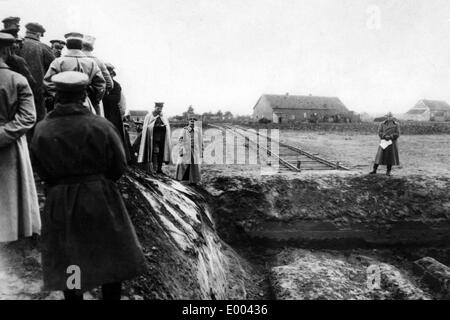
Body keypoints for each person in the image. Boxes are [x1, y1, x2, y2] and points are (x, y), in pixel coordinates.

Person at [30, 71, 146, 300]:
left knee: (71, 261)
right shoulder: (101, 125)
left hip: (61, 202)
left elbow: (40, 169)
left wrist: (59, 186)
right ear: (84, 96)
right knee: (109, 256)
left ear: (57, 97)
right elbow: (119, 165)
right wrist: (99, 182)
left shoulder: (42, 129)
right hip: (100, 198)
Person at [0, 32, 41, 243]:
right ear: (7, 51)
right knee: (11, 191)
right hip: (11, 145)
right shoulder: (18, 80)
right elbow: (28, 117)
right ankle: (13, 231)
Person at [43, 32, 106, 114]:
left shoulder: (58, 62)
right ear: (81, 45)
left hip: (62, 105)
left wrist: (58, 96)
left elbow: (48, 83)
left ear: (67, 45)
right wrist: (94, 99)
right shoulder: (91, 63)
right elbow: (100, 85)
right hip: (85, 103)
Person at [20, 22, 55, 125]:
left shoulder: (15, 44)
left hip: (16, 89)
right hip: (37, 92)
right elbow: (54, 69)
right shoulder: (44, 48)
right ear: (38, 35)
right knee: (38, 122)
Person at [102, 62, 131, 162]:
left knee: (113, 133)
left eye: (110, 73)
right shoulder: (100, 82)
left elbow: (115, 98)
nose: (109, 75)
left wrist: (101, 96)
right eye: (107, 73)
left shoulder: (116, 85)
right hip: (102, 111)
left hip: (112, 113)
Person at [137, 102, 172, 174]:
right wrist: (156, 126)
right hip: (153, 138)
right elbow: (147, 127)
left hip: (162, 138)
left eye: (161, 108)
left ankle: (159, 169)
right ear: (155, 107)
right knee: (155, 152)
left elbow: (167, 126)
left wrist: (164, 127)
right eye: (158, 108)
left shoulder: (163, 116)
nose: (160, 110)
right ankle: (155, 168)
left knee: (161, 153)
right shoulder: (149, 116)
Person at [175, 115, 203, 184]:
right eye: (191, 121)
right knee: (184, 164)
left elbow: (200, 141)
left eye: (194, 121)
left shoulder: (198, 131)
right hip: (186, 150)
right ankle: (183, 180)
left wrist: (201, 151)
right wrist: (181, 150)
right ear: (188, 122)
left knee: (194, 166)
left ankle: (194, 181)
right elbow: (181, 140)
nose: (192, 122)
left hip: (195, 150)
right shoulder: (184, 130)